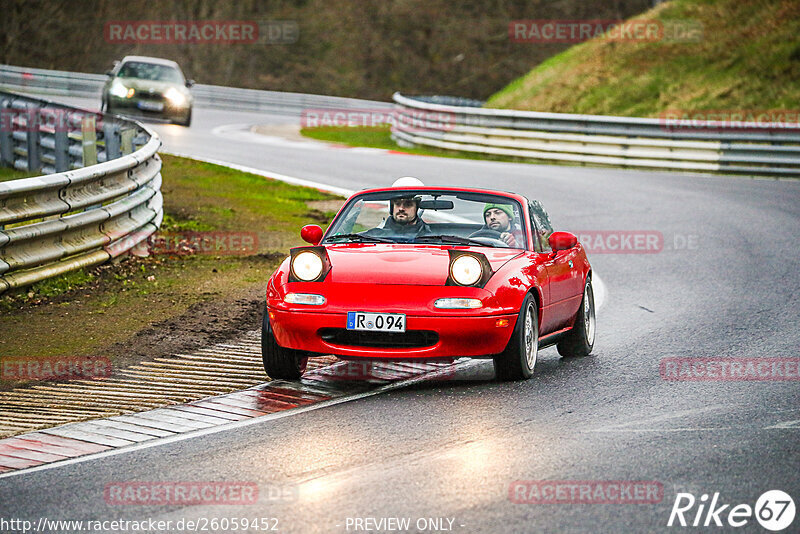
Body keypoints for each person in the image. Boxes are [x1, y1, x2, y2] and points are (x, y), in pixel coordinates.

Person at [366, 194, 431, 239]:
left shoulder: (432, 236)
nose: (401, 208)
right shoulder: (373, 236)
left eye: (408, 204)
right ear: (391, 207)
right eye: (397, 203)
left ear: (418, 208)